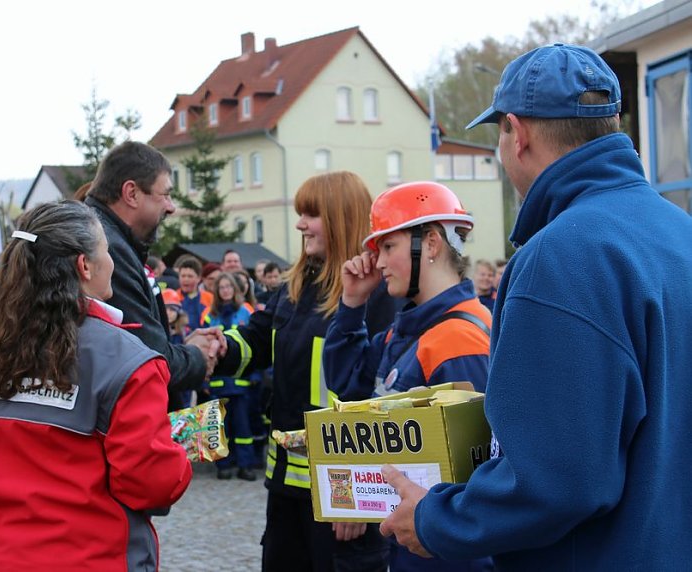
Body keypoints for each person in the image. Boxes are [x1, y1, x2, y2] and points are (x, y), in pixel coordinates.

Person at [379, 43, 692, 570]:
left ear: (517, 134)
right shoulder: (680, 231)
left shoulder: (560, 257)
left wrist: (437, 521)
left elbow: (556, 480)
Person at [0, 200, 192, 570]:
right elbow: (151, 485)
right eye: (107, 251)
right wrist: (177, 450)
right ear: (85, 265)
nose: (112, 262)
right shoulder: (128, 361)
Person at [212, 171, 397, 572]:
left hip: (340, 495)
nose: (300, 225)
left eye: (310, 214)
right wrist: (218, 347)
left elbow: (378, 400)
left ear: (340, 218)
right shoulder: (295, 286)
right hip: (286, 486)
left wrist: (357, 494)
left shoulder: (376, 293)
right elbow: (256, 339)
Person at [323, 181, 492, 571]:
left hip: (445, 558)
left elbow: (479, 483)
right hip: (413, 544)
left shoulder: (458, 339)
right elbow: (346, 386)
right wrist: (352, 303)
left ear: (430, 244)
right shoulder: (408, 330)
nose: (378, 262)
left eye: (388, 247)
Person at [83, 141, 222, 411]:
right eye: (165, 194)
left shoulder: (110, 241)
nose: (171, 207)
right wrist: (197, 355)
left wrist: (185, 349)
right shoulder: (107, 251)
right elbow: (147, 359)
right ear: (131, 193)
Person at [202, 272, 256, 481]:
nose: (225, 290)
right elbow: (203, 347)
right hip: (217, 381)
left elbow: (255, 345)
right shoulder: (209, 315)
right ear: (216, 291)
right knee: (219, 427)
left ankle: (245, 465)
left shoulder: (246, 311)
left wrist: (255, 374)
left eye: (228, 286)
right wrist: (204, 378)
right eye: (222, 287)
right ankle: (223, 466)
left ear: (235, 289)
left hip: (241, 380)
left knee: (243, 426)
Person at [176, 255, 213, 330]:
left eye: (190, 276)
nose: (186, 279)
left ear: (199, 278)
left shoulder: (210, 298)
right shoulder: (173, 297)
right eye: (183, 276)